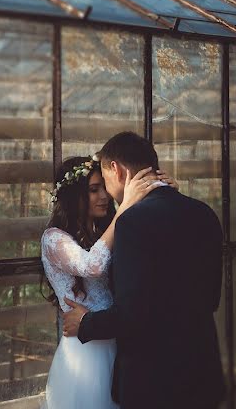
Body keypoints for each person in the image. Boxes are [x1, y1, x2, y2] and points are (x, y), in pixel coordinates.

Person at [61, 132, 225, 409]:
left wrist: (86, 323)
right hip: (203, 372)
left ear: (117, 170)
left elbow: (132, 315)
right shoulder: (204, 212)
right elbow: (211, 297)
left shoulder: (132, 222)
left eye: (106, 182)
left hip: (156, 383)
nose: (107, 193)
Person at [40, 152, 171, 408]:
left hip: (119, 340)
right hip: (87, 352)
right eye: (93, 190)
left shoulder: (104, 229)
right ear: (73, 195)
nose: (103, 196)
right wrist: (124, 209)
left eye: (103, 188)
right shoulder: (53, 238)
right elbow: (93, 265)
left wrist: (165, 195)